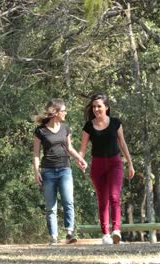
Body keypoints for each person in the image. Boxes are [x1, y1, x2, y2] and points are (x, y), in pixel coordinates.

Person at [78, 92, 135, 245]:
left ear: (106, 108)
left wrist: (130, 163)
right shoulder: (88, 126)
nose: (96, 109)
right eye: (94, 107)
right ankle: (105, 234)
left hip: (114, 163)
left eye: (99, 106)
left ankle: (116, 230)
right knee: (102, 200)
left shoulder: (116, 123)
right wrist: (80, 159)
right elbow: (82, 148)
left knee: (115, 197)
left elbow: (122, 144)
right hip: (97, 165)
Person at [33, 98, 88, 245]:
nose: (65, 113)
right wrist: (36, 171)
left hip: (65, 169)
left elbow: (69, 148)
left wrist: (80, 159)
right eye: (63, 110)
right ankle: (53, 237)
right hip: (48, 171)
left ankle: (69, 233)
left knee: (68, 201)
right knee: (51, 206)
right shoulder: (40, 131)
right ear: (56, 112)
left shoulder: (66, 128)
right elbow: (36, 154)